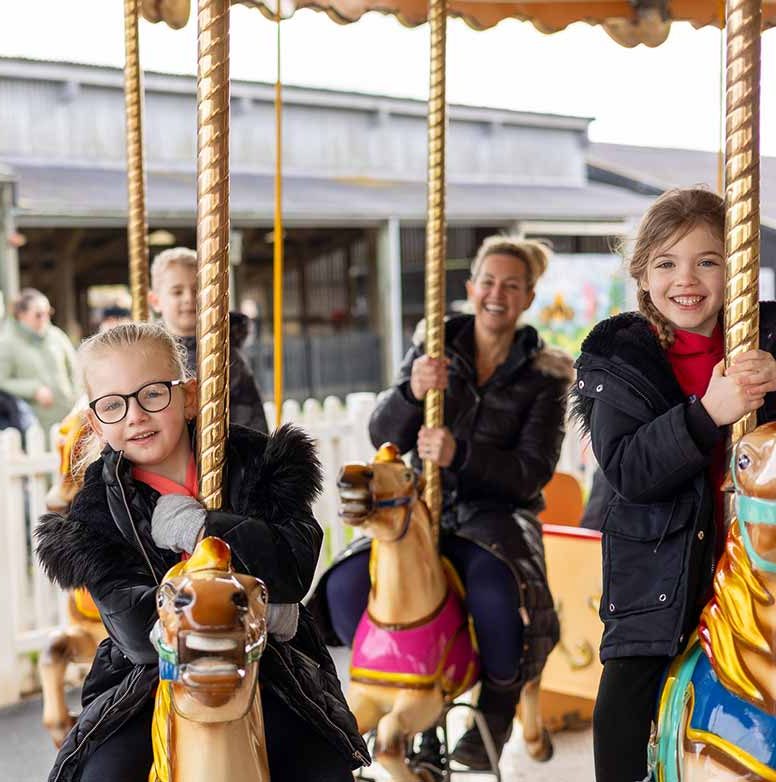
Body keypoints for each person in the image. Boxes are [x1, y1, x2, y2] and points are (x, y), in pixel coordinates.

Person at [35, 322, 368, 782]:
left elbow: (292, 568)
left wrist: (202, 527)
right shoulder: (96, 509)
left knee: (322, 766)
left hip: (267, 663)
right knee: (102, 773)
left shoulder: (257, 463)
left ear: (189, 396)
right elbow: (135, 632)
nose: (135, 415)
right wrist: (254, 609)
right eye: (113, 405)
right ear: (95, 422)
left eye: (152, 394)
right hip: (149, 679)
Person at [310, 236, 573, 773]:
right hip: (418, 513)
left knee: (497, 598)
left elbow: (532, 472)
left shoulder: (544, 376)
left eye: (512, 286)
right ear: (471, 288)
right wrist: (411, 390)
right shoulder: (435, 344)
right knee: (341, 588)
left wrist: (462, 454)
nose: (497, 294)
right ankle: (390, 696)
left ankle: (496, 711)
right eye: (489, 282)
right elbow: (383, 431)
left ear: (527, 297)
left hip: (495, 516)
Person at [571, 187, 776, 782]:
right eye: (667, 262)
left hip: (759, 572)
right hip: (659, 587)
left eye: (707, 260)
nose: (686, 279)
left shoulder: (766, 338)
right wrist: (707, 412)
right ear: (643, 273)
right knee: (621, 725)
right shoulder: (618, 354)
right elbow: (630, 470)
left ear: (735, 266)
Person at [149, 247, 268, 433]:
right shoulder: (149, 353)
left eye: (197, 290)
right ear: (155, 301)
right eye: (177, 292)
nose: (189, 298)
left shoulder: (227, 355)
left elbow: (251, 421)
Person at [0, 288, 80, 433]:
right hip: (33, 423)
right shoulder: (6, 343)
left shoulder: (57, 335)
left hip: (69, 415)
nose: (45, 318)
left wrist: (76, 397)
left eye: (48, 313)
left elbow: (75, 369)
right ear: (21, 315)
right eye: (38, 314)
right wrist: (33, 389)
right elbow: (2, 380)